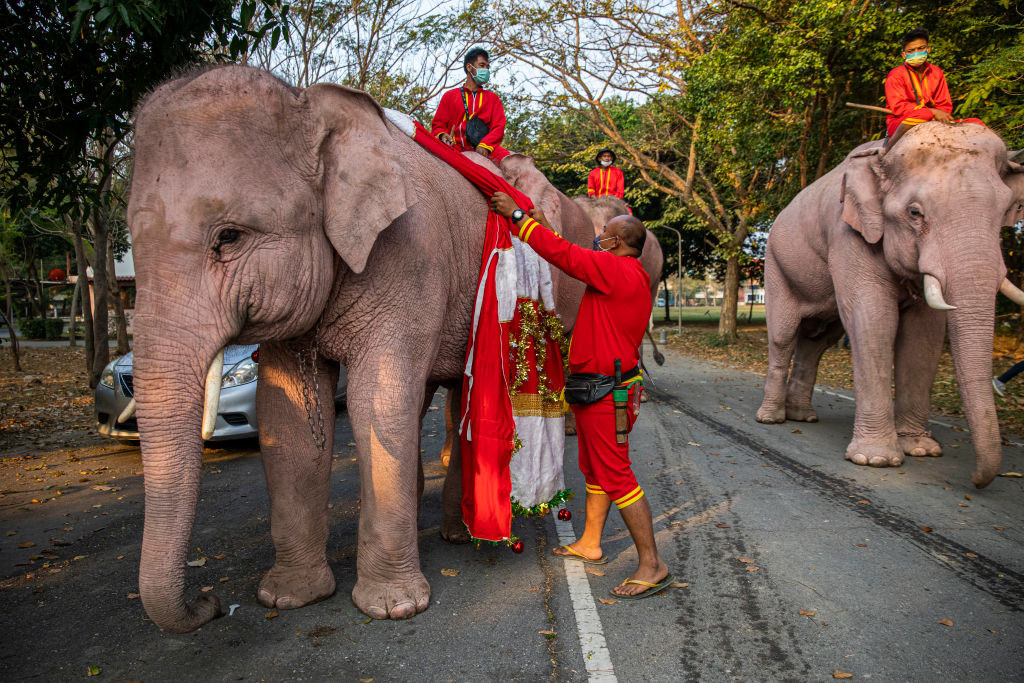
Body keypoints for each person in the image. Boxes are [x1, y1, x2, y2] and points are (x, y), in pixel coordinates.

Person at [489, 190, 672, 599]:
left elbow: (565, 257)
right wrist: (541, 223)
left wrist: (518, 216)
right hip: (597, 389)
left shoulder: (616, 270)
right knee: (595, 469)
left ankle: (652, 563)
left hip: (610, 394)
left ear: (616, 243)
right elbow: (569, 249)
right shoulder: (619, 270)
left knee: (618, 475)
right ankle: (591, 542)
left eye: (603, 233)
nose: (598, 237)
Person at [884, 28, 984, 137]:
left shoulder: (937, 72)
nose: (916, 53)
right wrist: (931, 112)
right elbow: (899, 107)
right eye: (911, 51)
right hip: (903, 121)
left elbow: (944, 104)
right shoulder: (896, 75)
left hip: (934, 120)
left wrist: (937, 115)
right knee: (921, 114)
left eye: (920, 48)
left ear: (928, 49)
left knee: (976, 123)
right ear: (903, 55)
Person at [431, 47, 510, 162]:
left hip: (486, 150)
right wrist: (443, 136)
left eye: (487, 67)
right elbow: (438, 124)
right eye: (482, 65)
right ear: (469, 67)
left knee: (515, 165)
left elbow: (499, 126)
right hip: (455, 149)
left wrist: (485, 145)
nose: (486, 70)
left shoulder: (493, 98)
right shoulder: (450, 96)